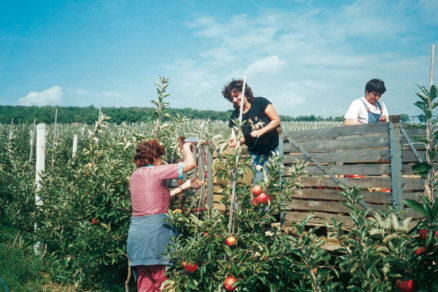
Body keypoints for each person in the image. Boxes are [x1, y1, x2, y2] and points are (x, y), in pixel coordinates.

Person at [126, 139, 203, 292]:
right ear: (153, 158)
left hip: (137, 241)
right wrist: (186, 149)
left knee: (145, 286)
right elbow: (190, 164)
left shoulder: (134, 176)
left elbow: (157, 199)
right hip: (156, 239)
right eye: (160, 158)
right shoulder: (156, 171)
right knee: (164, 284)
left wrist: (185, 186)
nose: (161, 162)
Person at [222, 79, 281, 183]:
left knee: (276, 181)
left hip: (273, 149)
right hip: (257, 154)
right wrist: (235, 142)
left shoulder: (260, 103)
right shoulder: (236, 115)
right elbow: (242, 138)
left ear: (244, 92)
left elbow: (276, 120)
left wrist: (261, 131)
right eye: (232, 98)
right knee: (259, 183)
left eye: (237, 96)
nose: (235, 100)